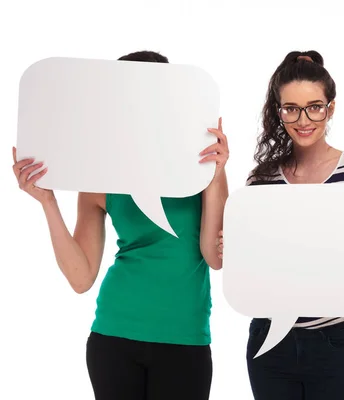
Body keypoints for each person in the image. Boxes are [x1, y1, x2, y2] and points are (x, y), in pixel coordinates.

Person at [11, 50, 229, 400]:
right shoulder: (100, 175)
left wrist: (218, 176)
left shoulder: (201, 168)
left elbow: (215, 258)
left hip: (184, 338)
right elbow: (81, 278)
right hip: (114, 336)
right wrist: (47, 202)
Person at [217, 50, 344, 400]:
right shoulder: (263, 180)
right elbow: (256, 263)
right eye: (291, 109)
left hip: (336, 342)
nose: (304, 119)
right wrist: (236, 251)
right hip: (269, 342)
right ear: (278, 110)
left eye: (315, 106)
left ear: (330, 108)